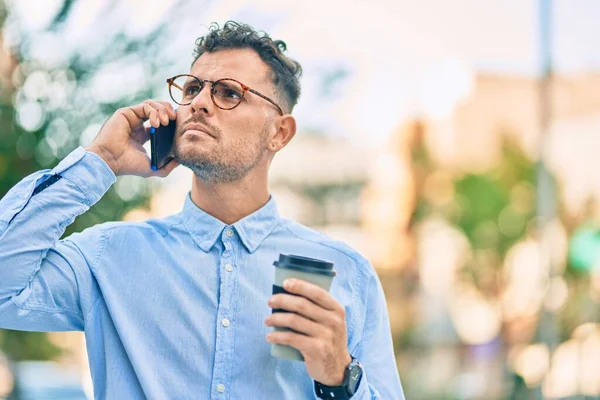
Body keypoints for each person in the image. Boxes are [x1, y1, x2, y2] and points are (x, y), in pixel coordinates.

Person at [0, 21, 405, 399]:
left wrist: (340, 377)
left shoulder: (344, 271)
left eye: (229, 93)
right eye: (193, 89)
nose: (199, 104)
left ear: (279, 133)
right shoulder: (108, 256)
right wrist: (100, 160)